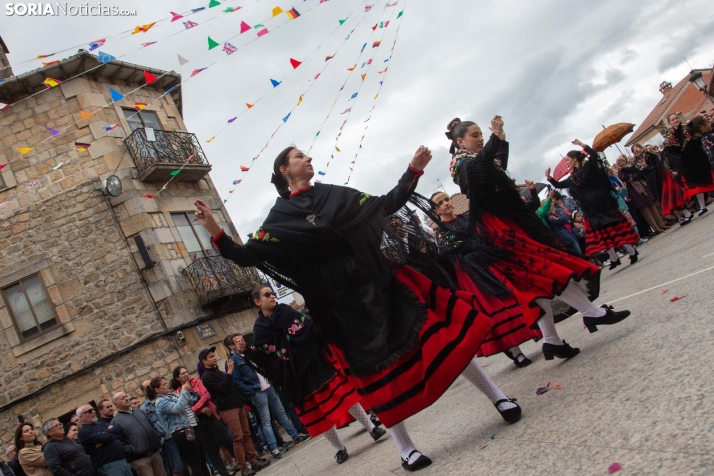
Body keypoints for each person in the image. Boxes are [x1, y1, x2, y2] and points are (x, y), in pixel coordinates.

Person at [195, 144, 524, 472]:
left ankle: (498, 396)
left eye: (307, 155)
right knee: (377, 376)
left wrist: (414, 169)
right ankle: (406, 449)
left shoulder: (336, 195)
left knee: (446, 336)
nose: (309, 158)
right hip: (343, 309)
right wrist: (213, 227)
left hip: (382, 283)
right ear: (285, 170)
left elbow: (385, 204)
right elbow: (246, 255)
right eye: (299, 157)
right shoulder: (280, 219)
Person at [446, 116, 630, 363]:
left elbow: (495, 165)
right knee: (546, 271)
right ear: (461, 141)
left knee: (534, 285)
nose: (479, 139)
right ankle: (591, 312)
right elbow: (484, 167)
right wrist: (494, 138)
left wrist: (500, 138)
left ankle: (552, 340)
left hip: (506, 224)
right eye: (475, 135)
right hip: (500, 230)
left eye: (481, 134)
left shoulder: (474, 161)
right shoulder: (463, 165)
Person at [242, 288, 388, 465]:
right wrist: (250, 354)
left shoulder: (286, 311)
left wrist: (293, 342)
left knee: (342, 394)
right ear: (257, 302)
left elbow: (307, 326)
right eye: (267, 295)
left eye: (272, 293)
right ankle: (339, 449)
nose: (272, 296)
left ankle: (372, 428)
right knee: (316, 411)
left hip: (313, 360)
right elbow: (263, 352)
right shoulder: (260, 328)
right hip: (294, 374)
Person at [430, 191, 540, 368]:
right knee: (497, 309)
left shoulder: (468, 218)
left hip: (489, 265)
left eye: (446, 199)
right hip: (471, 275)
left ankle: (529, 336)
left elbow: (484, 237)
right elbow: (451, 255)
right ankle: (516, 352)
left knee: (512, 301)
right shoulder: (441, 232)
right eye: (440, 203)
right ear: (436, 211)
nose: (446, 203)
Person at [546, 139, 640, 270]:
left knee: (613, 229)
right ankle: (614, 258)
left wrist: (581, 145)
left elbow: (594, 156)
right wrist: (549, 177)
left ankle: (632, 251)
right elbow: (559, 184)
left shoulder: (587, 167)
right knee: (600, 233)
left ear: (575, 159)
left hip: (600, 202)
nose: (567, 162)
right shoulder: (574, 176)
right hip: (589, 207)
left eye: (568, 159)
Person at [227, 334, 308, 460]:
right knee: (266, 420)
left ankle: (295, 435)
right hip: (257, 391)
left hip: (268, 386)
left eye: (242, 339)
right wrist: (251, 391)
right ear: (232, 346)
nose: (241, 342)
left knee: (281, 412)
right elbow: (236, 381)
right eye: (237, 341)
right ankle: (274, 448)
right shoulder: (234, 361)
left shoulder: (250, 353)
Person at [199, 349, 269, 476]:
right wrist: (229, 372)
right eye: (211, 357)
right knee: (238, 437)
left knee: (246, 433)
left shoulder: (218, 372)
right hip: (227, 409)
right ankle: (242, 466)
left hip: (237, 404)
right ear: (204, 361)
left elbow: (230, 385)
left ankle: (253, 460)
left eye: (214, 355)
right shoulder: (207, 377)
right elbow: (223, 388)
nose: (214, 358)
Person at [169, 367, 236, 476]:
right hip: (196, 423)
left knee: (227, 440)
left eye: (186, 371)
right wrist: (199, 410)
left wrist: (195, 409)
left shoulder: (196, 381)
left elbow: (206, 395)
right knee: (210, 450)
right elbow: (183, 409)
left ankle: (242, 462)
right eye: (182, 373)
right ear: (177, 378)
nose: (186, 374)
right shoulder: (177, 392)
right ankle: (224, 473)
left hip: (210, 416)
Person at [151, 377, 214, 476]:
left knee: (202, 458)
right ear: (157, 390)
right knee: (195, 461)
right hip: (181, 431)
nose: (167, 385)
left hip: (191, 426)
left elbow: (189, 402)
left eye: (166, 383)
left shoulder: (172, 395)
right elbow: (177, 408)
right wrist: (184, 392)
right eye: (163, 384)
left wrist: (188, 391)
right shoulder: (161, 402)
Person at [662, 113, 714, 216]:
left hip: (697, 156)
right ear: (669, 123)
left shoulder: (687, 128)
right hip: (685, 162)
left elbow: (697, 138)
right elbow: (669, 149)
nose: (675, 120)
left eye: (676, 118)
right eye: (673, 120)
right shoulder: (669, 135)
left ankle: (703, 204)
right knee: (695, 185)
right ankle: (702, 207)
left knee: (707, 177)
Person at [111, 393, 165, 476]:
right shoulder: (116, 421)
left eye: (126, 396)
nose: (126, 398)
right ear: (116, 404)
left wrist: (156, 437)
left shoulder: (139, 411)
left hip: (155, 453)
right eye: (122, 398)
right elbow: (119, 442)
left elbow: (152, 425)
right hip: (140, 459)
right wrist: (132, 450)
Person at [616, 157, 669, 234]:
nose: (621, 163)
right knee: (645, 210)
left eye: (622, 161)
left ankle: (661, 224)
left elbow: (639, 174)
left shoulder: (631, 167)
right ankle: (656, 228)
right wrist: (633, 176)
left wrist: (633, 177)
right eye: (619, 163)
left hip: (644, 187)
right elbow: (626, 178)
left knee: (652, 206)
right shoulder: (620, 172)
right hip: (634, 191)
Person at [141, 382, 183, 476]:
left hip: (178, 432)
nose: (150, 388)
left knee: (189, 462)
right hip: (166, 440)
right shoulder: (144, 409)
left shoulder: (168, 398)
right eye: (148, 387)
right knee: (177, 468)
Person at [76, 405, 132, 476]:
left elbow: (119, 428)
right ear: (81, 417)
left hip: (123, 461)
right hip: (109, 466)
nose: (93, 412)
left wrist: (105, 435)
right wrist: (107, 435)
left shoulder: (101, 424)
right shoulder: (83, 432)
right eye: (90, 411)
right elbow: (106, 437)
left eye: (93, 409)